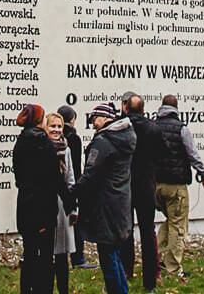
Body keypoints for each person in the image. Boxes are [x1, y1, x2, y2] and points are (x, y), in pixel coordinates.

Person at [75, 102, 138, 294]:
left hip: (105, 205)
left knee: (108, 258)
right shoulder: (125, 138)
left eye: (95, 119)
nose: (93, 123)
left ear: (104, 118)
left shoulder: (103, 142)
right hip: (120, 203)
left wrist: (71, 192)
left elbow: (91, 175)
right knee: (114, 255)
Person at [150, 94, 204, 279]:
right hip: (176, 186)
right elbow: (193, 155)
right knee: (178, 226)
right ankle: (172, 269)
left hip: (154, 186)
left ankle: (156, 258)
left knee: (171, 220)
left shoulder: (151, 127)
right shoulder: (182, 128)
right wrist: (203, 175)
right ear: (176, 109)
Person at [15, 104, 71, 294]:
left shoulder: (21, 141)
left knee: (29, 253)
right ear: (39, 120)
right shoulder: (43, 143)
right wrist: (70, 201)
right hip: (43, 207)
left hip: (24, 205)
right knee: (45, 257)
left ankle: (26, 289)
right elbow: (55, 178)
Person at [122, 92, 169, 291]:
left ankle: (126, 270)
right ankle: (150, 279)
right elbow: (164, 153)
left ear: (125, 107)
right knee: (148, 232)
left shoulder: (121, 126)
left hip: (124, 185)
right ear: (143, 109)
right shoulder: (153, 128)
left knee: (126, 231)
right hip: (146, 185)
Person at [47, 111, 77, 294]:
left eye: (59, 126)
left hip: (63, 204)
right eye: (53, 126)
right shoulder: (43, 147)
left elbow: (71, 177)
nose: (56, 130)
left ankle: (64, 289)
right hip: (47, 203)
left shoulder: (66, 149)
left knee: (62, 253)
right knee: (48, 252)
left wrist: (73, 207)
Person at [57, 104, 90, 269]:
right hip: (73, 183)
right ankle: (78, 258)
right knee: (75, 221)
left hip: (57, 186)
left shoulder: (56, 138)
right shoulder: (74, 139)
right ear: (72, 120)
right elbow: (75, 165)